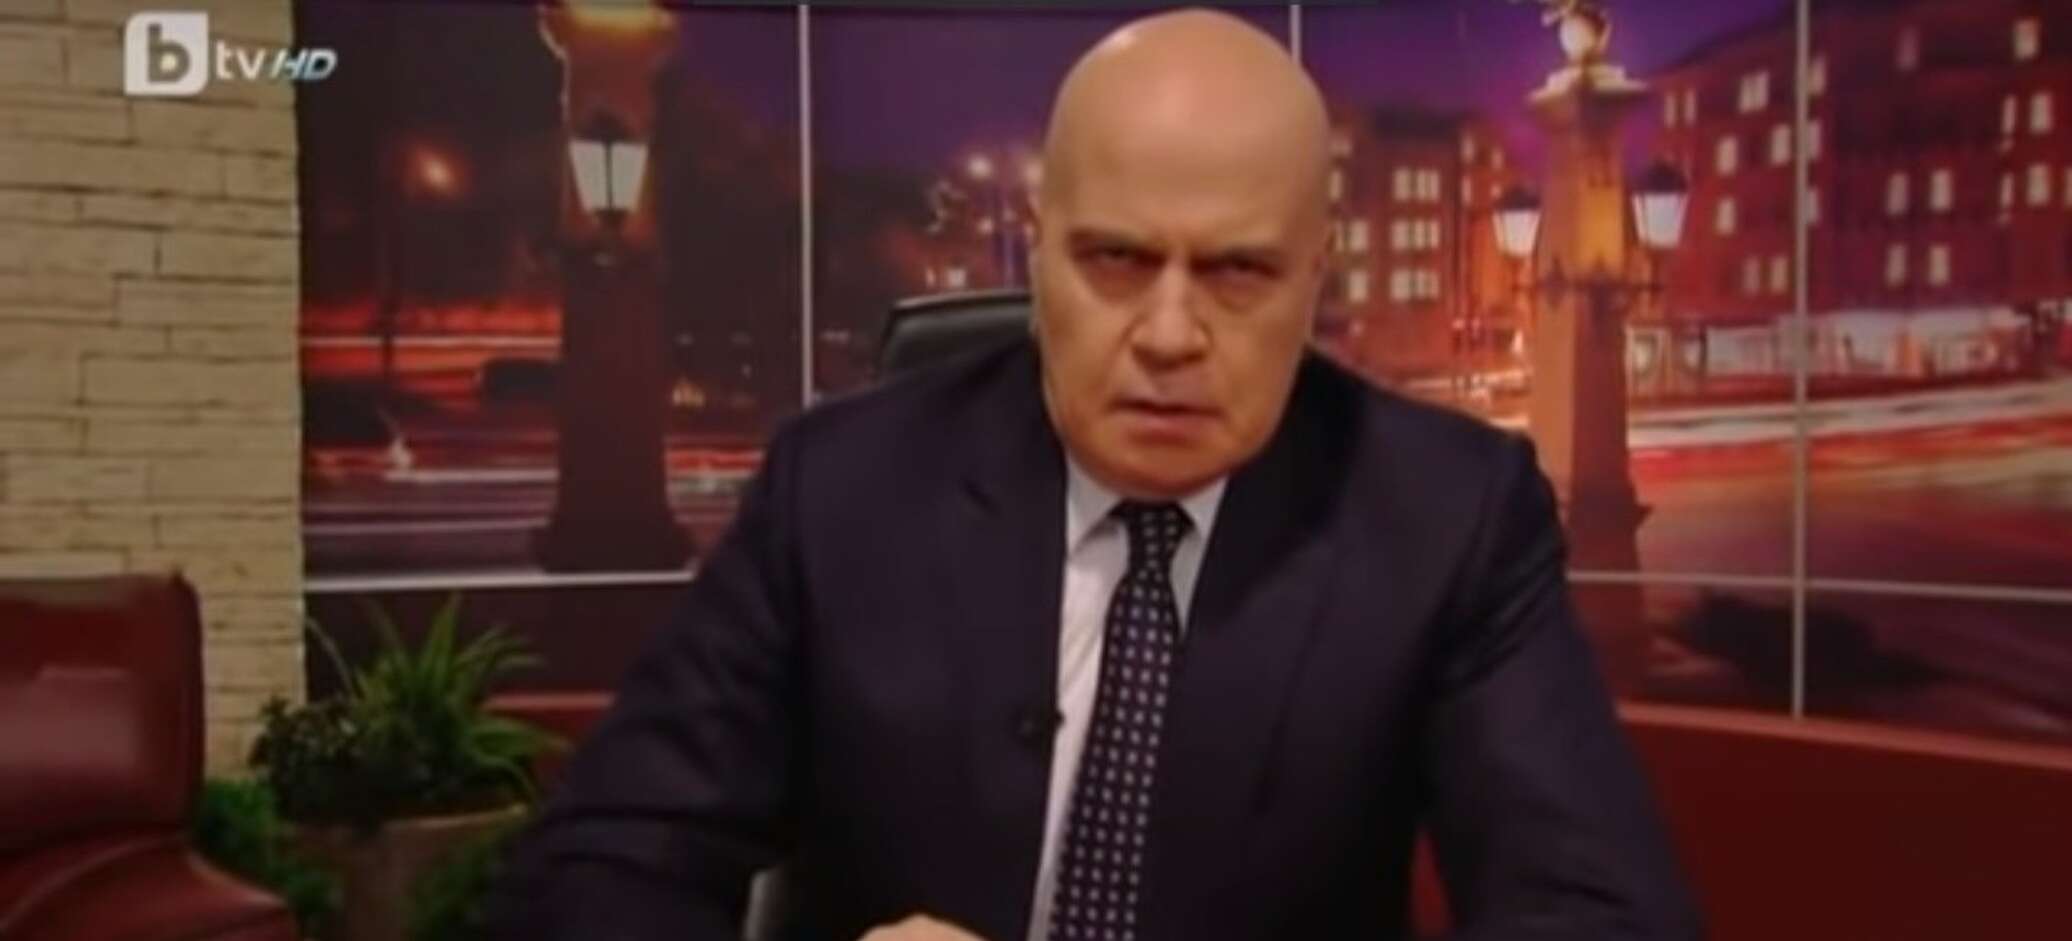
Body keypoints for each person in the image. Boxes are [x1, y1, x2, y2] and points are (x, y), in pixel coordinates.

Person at [489, 9, 1698, 940]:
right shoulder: (839, 490)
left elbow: (1602, 916)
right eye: (1115, 260)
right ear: (1038, 252)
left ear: (1314, 277)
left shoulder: (1447, 517)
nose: (1168, 334)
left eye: (1236, 272)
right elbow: (592, 869)